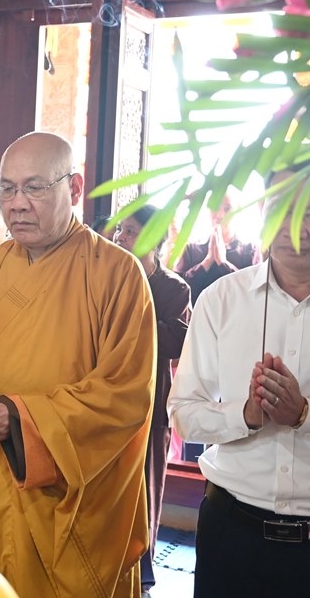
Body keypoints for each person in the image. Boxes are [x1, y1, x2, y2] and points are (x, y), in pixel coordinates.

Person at [0, 131, 156, 598]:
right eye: (7, 189)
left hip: (69, 505)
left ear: (75, 188)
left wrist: (20, 419)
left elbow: (125, 396)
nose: (17, 204)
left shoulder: (118, 275)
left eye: (35, 188)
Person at [168, 154, 310, 598]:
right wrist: (245, 415)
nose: (293, 228)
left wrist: (306, 416)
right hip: (231, 536)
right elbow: (183, 414)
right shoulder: (221, 300)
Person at [113, 205, 191, 597]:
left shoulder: (173, 288)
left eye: (130, 231)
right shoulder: (106, 278)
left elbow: (177, 341)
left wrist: (126, 326)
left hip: (149, 404)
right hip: (105, 402)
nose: (120, 238)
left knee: (145, 487)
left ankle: (141, 576)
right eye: (120, 230)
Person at [176, 192, 261, 303]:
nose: (220, 215)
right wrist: (207, 262)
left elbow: (254, 292)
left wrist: (223, 263)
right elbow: (177, 291)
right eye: (215, 207)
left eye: (227, 209)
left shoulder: (250, 250)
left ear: (238, 210)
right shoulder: (191, 249)